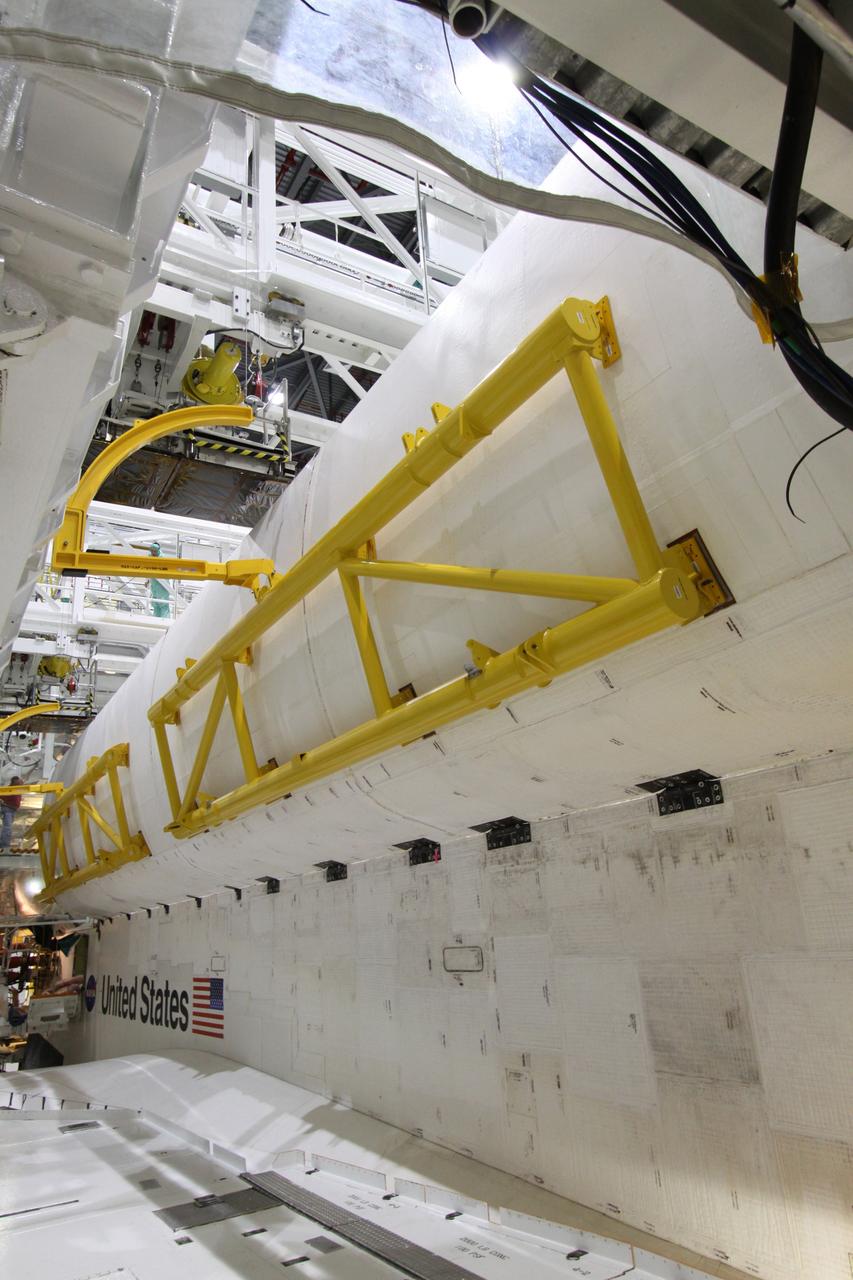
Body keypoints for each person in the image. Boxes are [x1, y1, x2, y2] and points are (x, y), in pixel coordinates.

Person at [0, 775, 23, 850]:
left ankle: (4, 844)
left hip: (11, 810)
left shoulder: (17, 789)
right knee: (7, 828)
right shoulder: (9, 789)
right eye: (19, 782)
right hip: (7, 810)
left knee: (7, 828)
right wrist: (3, 803)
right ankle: (4, 846)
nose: (21, 783)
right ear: (14, 782)